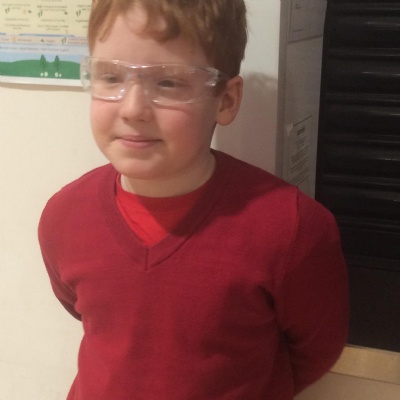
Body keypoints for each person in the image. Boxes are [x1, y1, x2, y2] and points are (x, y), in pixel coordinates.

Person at [38, 1, 349, 399]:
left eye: (168, 83)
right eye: (111, 77)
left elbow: (315, 349)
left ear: (226, 100)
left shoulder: (292, 228)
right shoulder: (64, 216)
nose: (132, 109)